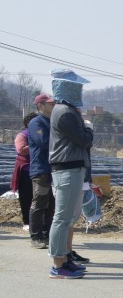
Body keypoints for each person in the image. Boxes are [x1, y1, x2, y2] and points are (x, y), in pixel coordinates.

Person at [47, 69, 93, 279]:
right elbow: (84, 139)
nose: (80, 90)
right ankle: (58, 264)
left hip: (71, 168)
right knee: (62, 218)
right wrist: (89, 130)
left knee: (69, 217)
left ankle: (65, 258)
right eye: (76, 86)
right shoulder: (64, 112)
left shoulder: (67, 110)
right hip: (67, 168)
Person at [27, 94, 56, 249]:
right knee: (39, 203)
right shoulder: (36, 122)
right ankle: (36, 236)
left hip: (53, 169)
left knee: (52, 205)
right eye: (49, 104)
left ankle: (47, 234)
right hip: (41, 169)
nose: (53, 106)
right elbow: (43, 141)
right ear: (40, 106)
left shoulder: (52, 121)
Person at [11, 113, 34, 232]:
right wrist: (36, 145)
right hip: (26, 171)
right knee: (26, 198)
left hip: (40, 170)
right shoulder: (22, 136)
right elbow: (21, 150)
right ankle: (27, 221)